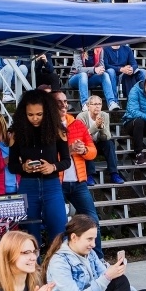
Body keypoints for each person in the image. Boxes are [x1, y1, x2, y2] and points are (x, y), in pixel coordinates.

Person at [8, 90, 71, 247]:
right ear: (24, 114)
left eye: (39, 114)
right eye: (30, 115)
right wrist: (24, 167)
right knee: (29, 236)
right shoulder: (16, 133)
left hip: (52, 186)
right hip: (28, 187)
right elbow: (12, 166)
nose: (35, 118)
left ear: (47, 112)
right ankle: (32, 270)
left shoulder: (58, 130)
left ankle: (57, 269)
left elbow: (66, 161)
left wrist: (53, 167)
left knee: (59, 232)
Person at [50, 90, 104, 258]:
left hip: (79, 181)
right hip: (56, 183)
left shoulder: (77, 124)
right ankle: (60, 261)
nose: (64, 105)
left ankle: (98, 259)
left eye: (65, 101)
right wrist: (70, 150)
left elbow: (93, 152)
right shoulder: (47, 127)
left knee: (92, 221)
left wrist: (84, 150)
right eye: (59, 102)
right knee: (58, 224)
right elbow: (48, 156)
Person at [77, 95, 125, 187]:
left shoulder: (104, 115)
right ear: (88, 106)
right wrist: (95, 127)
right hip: (87, 144)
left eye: (99, 104)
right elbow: (82, 137)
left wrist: (101, 127)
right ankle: (89, 175)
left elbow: (107, 137)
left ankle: (114, 173)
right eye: (94, 104)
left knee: (109, 144)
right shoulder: (81, 117)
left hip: (99, 144)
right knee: (87, 144)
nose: (97, 106)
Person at [68, 48, 120, 112]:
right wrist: (94, 69)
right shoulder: (78, 50)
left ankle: (111, 102)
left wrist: (101, 70)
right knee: (83, 75)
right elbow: (79, 69)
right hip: (76, 78)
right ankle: (85, 104)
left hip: (90, 79)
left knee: (105, 74)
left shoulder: (99, 49)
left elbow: (101, 65)